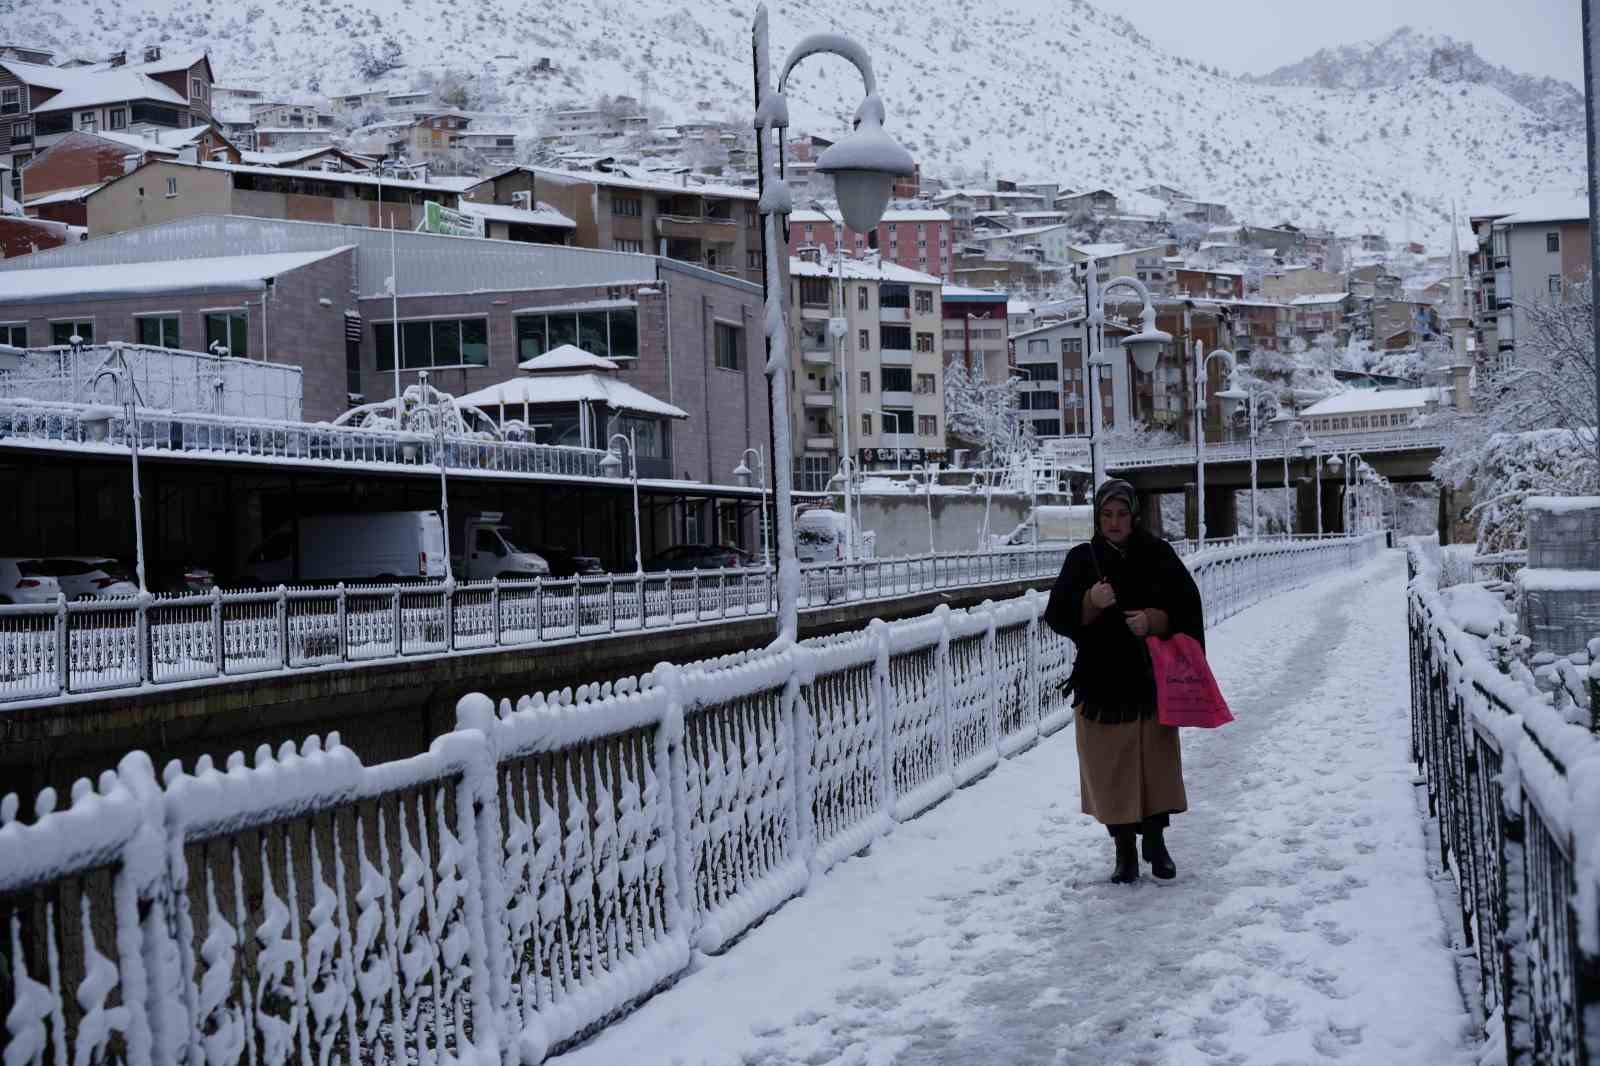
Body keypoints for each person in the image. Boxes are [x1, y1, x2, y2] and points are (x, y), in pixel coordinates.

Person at [1044, 479, 1205, 884]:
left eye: (1121, 514)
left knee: (1155, 766)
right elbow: (1057, 615)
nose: (1114, 523)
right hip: (1101, 684)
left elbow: (1188, 606)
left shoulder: (1158, 555)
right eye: (1106, 515)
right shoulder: (1082, 559)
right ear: (1098, 517)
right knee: (1111, 771)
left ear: (1133, 516)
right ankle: (1124, 851)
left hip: (1149, 682)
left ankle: (1156, 843)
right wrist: (1088, 604)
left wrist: (1155, 620)